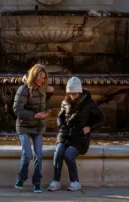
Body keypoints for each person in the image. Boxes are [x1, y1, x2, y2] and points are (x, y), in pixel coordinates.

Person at [48, 77, 104, 192]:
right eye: (70, 93)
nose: (72, 96)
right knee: (58, 153)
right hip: (64, 134)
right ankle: (55, 181)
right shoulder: (65, 101)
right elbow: (60, 116)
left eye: (74, 93)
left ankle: (75, 182)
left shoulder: (89, 103)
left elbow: (101, 118)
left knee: (68, 154)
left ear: (80, 91)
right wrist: (60, 125)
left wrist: (90, 127)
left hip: (79, 137)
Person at [13, 63, 53, 193]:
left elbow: (42, 105)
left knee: (39, 155)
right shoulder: (23, 89)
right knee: (27, 154)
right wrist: (34, 115)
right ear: (33, 76)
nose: (42, 80)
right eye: (40, 77)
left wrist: (46, 110)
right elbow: (17, 109)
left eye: (44, 78)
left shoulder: (43, 88)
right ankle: (21, 178)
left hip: (38, 126)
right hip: (24, 126)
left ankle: (37, 182)